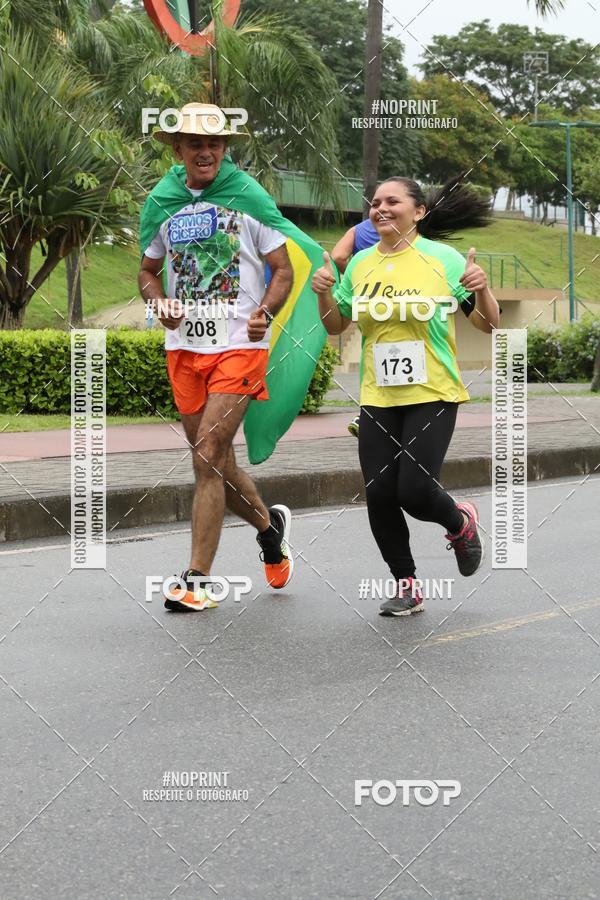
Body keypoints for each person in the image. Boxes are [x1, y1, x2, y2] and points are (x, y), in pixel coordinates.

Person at [311, 175, 499, 616]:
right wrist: (323, 294)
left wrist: (482, 288)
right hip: (378, 395)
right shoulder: (360, 265)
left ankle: (460, 522)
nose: (380, 209)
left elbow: (490, 326)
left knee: (414, 492)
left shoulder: (444, 260)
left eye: (392, 201)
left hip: (433, 391)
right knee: (379, 492)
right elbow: (337, 326)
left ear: (418, 212)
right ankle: (406, 584)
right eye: (375, 203)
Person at [138, 103, 295, 611]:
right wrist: (156, 300)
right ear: (179, 149)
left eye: (215, 144)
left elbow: (283, 270)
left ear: (225, 149)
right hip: (185, 348)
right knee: (217, 462)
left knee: (206, 453)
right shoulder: (161, 201)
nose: (205, 152)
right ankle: (270, 530)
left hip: (239, 346)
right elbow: (147, 271)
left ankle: (196, 581)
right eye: (194, 144)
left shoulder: (248, 194)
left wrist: (265, 313)